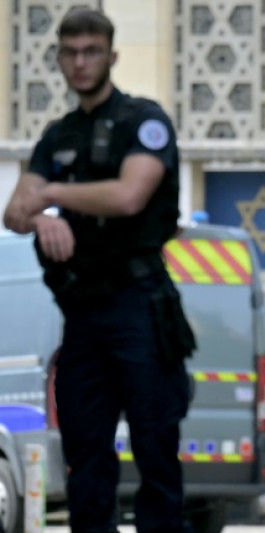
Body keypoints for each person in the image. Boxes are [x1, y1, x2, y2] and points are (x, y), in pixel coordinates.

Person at [2, 8, 195, 533]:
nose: (81, 62)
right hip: (83, 313)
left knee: (155, 450)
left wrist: (52, 194)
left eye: (91, 52)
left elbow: (130, 195)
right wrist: (41, 218)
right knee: (85, 456)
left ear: (111, 56)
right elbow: (13, 212)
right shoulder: (57, 135)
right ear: (59, 59)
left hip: (140, 304)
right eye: (71, 53)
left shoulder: (143, 122)